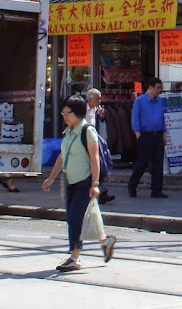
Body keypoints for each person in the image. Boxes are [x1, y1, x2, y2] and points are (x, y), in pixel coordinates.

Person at [41, 95, 116, 271]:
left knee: (75, 217)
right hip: (70, 181)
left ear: (79, 113)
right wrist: (51, 177)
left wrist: (95, 183)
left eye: (68, 113)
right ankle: (106, 241)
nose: (64, 117)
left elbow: (94, 158)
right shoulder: (68, 132)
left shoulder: (87, 131)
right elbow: (62, 156)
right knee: (83, 217)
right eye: (63, 113)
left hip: (84, 181)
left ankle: (75, 257)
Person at [128, 77, 168, 198]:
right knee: (142, 163)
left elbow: (162, 118)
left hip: (158, 135)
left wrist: (164, 134)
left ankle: (157, 190)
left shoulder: (160, 101)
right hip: (145, 135)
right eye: (157, 88)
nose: (159, 90)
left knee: (158, 164)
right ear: (150, 87)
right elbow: (135, 119)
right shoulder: (140, 101)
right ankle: (132, 185)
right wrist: (138, 135)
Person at [86, 88, 115, 205]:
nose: (99, 101)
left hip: (95, 140)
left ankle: (101, 192)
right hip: (85, 141)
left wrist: (101, 116)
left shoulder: (96, 109)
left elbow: (100, 124)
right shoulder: (82, 109)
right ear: (89, 99)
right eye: (97, 99)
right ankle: (98, 192)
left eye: (100, 98)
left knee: (103, 164)